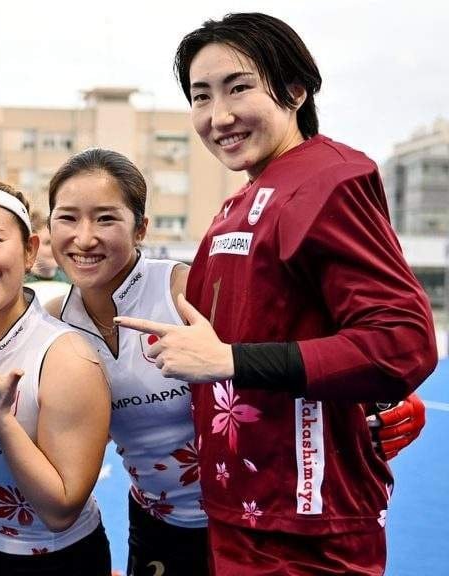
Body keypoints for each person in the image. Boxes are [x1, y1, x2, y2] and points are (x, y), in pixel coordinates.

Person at [115, 13, 438, 575]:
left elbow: (401, 342)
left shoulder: (327, 179)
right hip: (242, 509)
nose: (219, 116)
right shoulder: (243, 200)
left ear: (294, 89)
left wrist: (230, 360)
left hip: (304, 528)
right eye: (201, 96)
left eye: (239, 87)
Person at [0, 181, 112, 576]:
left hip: (57, 558)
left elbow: (60, 510)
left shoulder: (67, 359)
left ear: (30, 250)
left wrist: (1, 417)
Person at [42, 148, 208, 575]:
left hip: (242, 517)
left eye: (105, 218)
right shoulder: (54, 321)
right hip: (157, 523)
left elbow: (265, 358)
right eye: (68, 217)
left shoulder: (183, 289)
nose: (84, 237)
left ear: (141, 229)